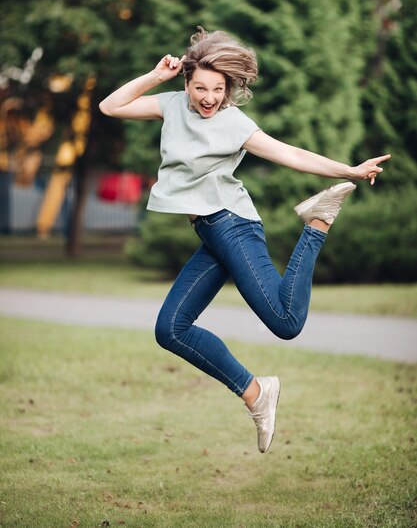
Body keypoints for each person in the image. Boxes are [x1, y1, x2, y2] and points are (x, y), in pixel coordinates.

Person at [99, 28, 390, 453]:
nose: (209, 97)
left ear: (228, 88)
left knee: (286, 322)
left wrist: (348, 171)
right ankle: (256, 393)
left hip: (233, 225)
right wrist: (155, 75)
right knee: (171, 329)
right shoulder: (171, 105)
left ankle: (317, 222)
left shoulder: (234, 123)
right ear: (186, 82)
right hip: (211, 234)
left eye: (218, 89)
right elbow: (110, 106)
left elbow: (291, 153)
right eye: (200, 87)